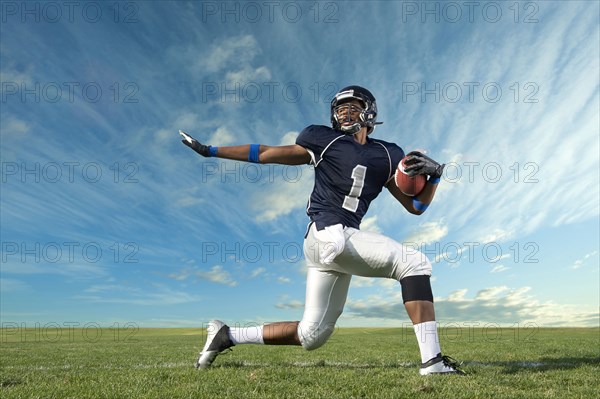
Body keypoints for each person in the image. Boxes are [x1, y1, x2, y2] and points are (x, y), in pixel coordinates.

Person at [180, 85, 465, 375]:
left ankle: (227, 335)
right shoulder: (324, 140)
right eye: (340, 109)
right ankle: (434, 361)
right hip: (328, 233)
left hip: (336, 244)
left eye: (353, 107)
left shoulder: (388, 154)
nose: (345, 113)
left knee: (312, 335)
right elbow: (267, 152)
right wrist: (211, 151)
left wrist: (435, 176)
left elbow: (416, 206)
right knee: (414, 263)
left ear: (369, 111)